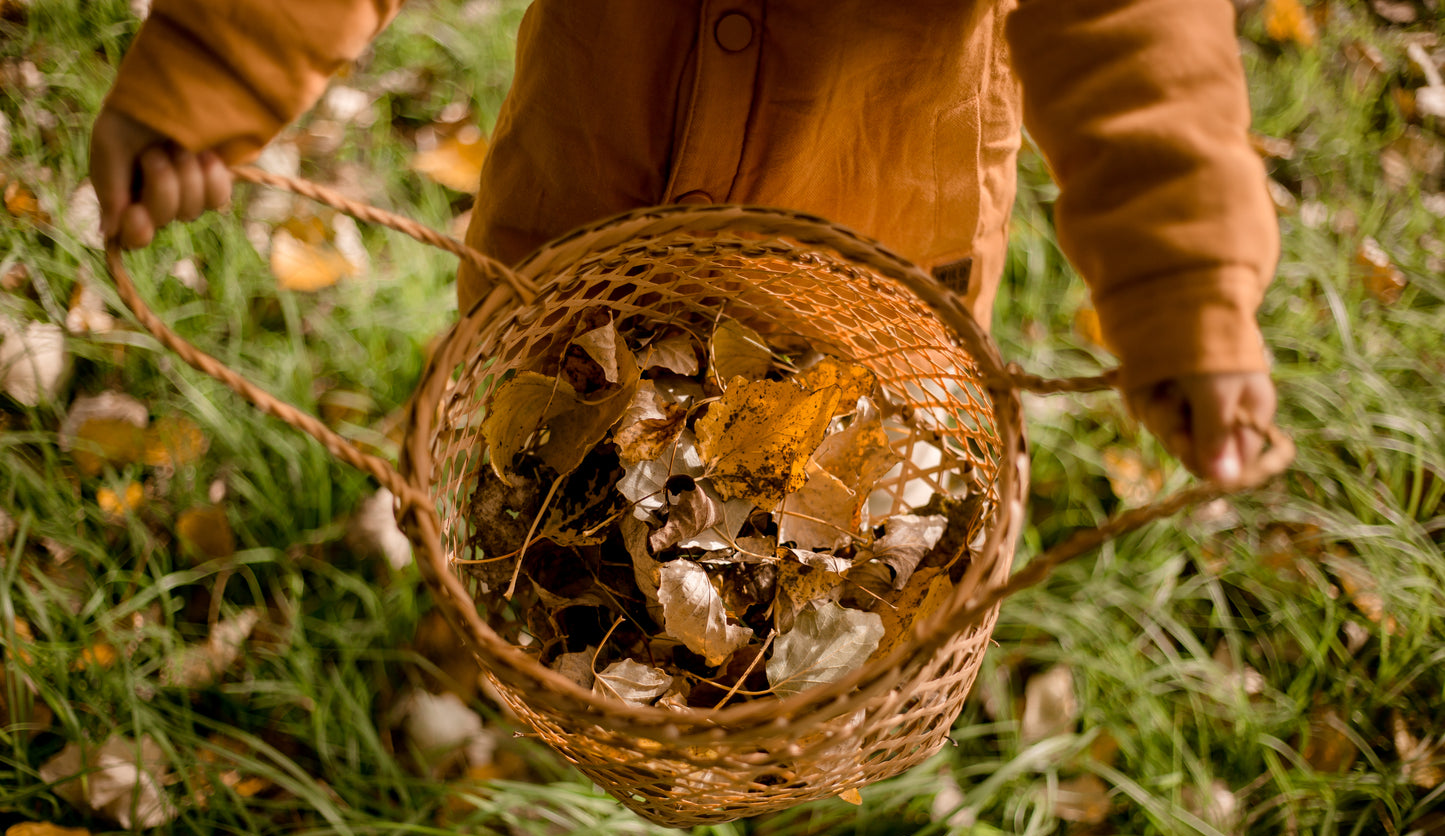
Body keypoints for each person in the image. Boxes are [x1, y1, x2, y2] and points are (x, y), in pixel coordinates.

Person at [89, 0, 1280, 485]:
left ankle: (791, 708)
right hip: (588, 203)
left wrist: (1182, 283)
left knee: (833, 501)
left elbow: (1133, 23)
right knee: (544, 463)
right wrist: (218, 62)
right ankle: (537, 617)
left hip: (864, 228)